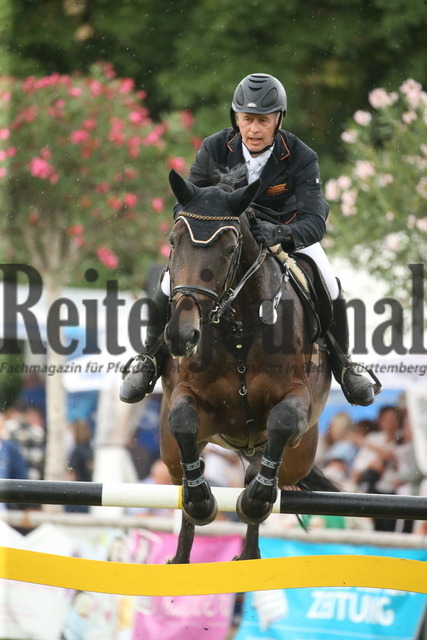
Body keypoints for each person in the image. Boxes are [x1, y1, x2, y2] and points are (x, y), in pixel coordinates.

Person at [120, 72, 380, 407]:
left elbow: (315, 218)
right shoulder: (215, 147)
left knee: (330, 284)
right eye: (247, 120)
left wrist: (284, 233)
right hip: (225, 239)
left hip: (284, 238)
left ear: (278, 120)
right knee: (168, 283)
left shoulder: (301, 156)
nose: (254, 130)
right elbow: (187, 202)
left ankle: (345, 365)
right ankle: (149, 360)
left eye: (263, 121)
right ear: (236, 118)